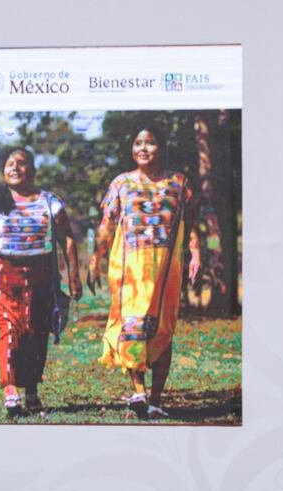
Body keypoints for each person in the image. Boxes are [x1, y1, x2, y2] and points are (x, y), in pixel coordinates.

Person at [87, 126, 200, 418]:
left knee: (163, 329)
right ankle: (139, 391)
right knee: (133, 325)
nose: (143, 148)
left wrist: (195, 253)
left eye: (150, 143)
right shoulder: (121, 183)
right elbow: (106, 225)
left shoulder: (179, 183)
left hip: (166, 268)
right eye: (138, 143)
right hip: (130, 268)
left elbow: (190, 223)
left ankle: (156, 400)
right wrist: (95, 259)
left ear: (161, 147)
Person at [0, 147, 81, 417]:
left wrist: (73, 276)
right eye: (9, 164)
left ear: (33, 170)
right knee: (10, 331)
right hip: (3, 276)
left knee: (35, 333)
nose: (15, 168)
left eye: (21, 163)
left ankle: (31, 388)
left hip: (40, 277)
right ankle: (10, 390)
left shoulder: (49, 201)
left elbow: (67, 239)